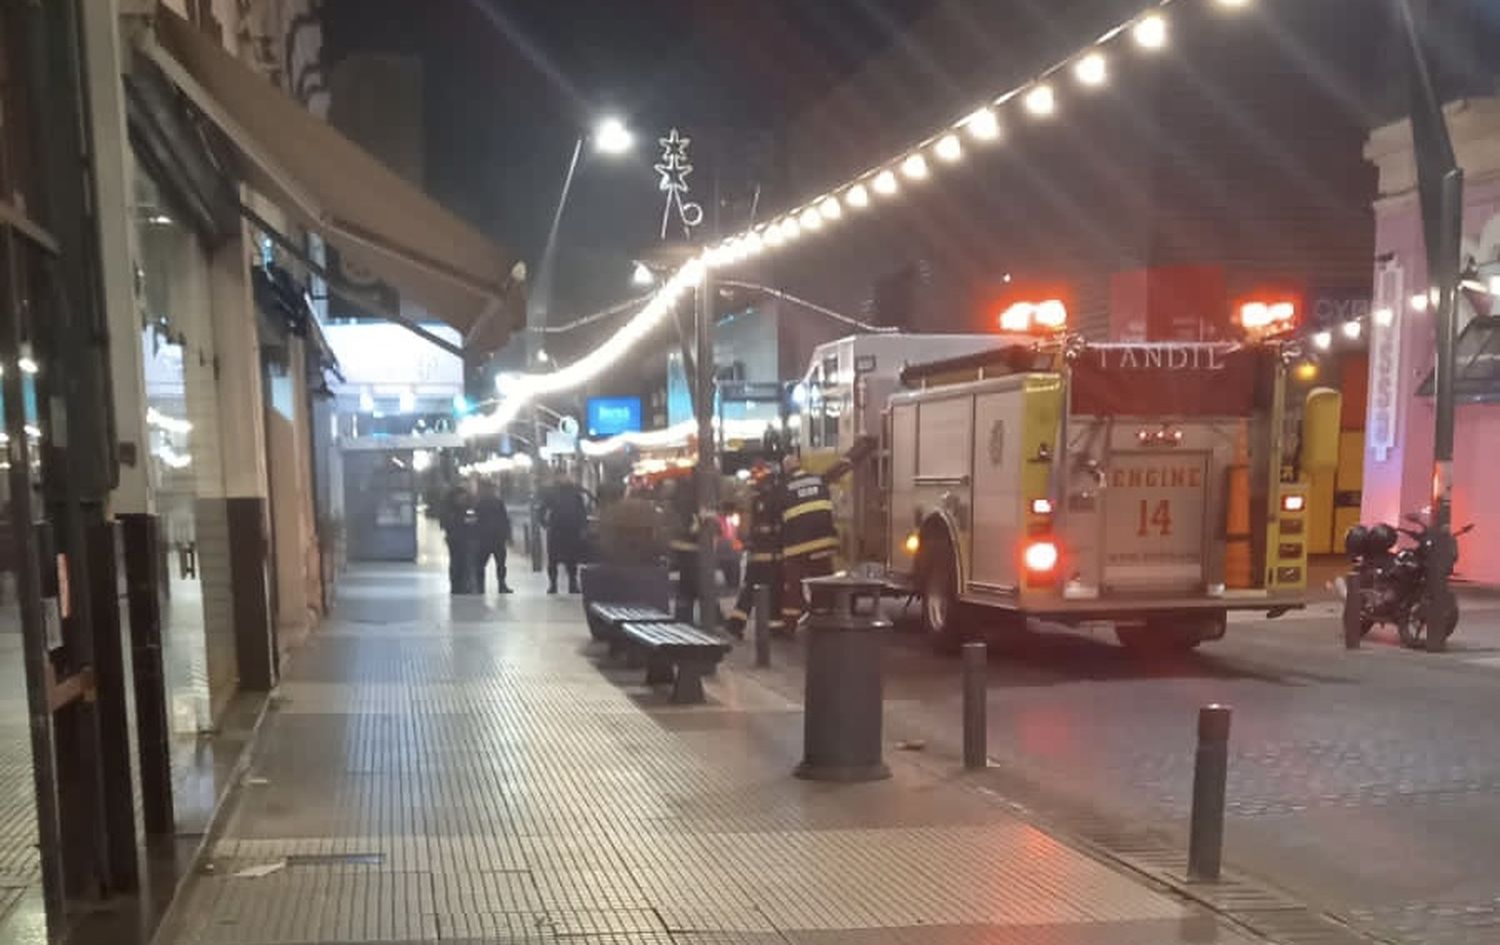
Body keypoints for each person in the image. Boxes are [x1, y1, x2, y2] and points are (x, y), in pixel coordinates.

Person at [779, 436, 878, 626]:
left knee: (793, 585)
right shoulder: (818, 479)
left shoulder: (784, 488)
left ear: (786, 471)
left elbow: (777, 519)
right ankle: (827, 612)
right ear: (800, 466)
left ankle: (790, 624)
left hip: (798, 548)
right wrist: (863, 448)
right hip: (824, 543)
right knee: (823, 579)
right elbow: (843, 465)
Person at [725, 460, 785, 639]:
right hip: (772, 553)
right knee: (775, 590)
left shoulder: (750, 497)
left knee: (749, 590)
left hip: (754, 554)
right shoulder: (776, 496)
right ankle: (774, 627)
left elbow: (743, 529)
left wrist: (747, 543)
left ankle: (736, 624)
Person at [540, 471, 588, 594]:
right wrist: (544, 523)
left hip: (568, 529)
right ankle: (554, 585)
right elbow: (543, 509)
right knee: (554, 560)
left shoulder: (574, 492)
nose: (564, 478)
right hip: (559, 529)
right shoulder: (553, 492)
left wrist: (582, 527)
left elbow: (582, 511)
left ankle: (571, 584)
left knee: (570, 559)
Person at [472, 478, 513, 594]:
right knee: (500, 564)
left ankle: (480, 587)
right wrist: (508, 536)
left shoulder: (478, 502)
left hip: (485, 538)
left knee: (481, 564)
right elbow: (505, 520)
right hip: (496, 538)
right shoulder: (497, 502)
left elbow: (474, 520)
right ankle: (501, 585)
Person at [439, 481, 475, 595]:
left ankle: (465, 585)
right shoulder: (450, 510)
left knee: (466, 563)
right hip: (455, 539)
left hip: (466, 538)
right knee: (456, 563)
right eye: (460, 497)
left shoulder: (467, 508)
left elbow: (472, 521)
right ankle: (456, 585)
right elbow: (445, 523)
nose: (462, 499)